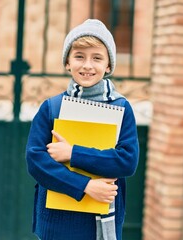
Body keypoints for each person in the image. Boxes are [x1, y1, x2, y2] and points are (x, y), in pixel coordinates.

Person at [25, 19, 139, 240]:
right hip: (56, 220)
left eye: (97, 58)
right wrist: (85, 185)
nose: (87, 65)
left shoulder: (121, 108)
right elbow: (36, 161)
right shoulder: (51, 108)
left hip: (101, 217)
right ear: (68, 62)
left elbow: (127, 160)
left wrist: (72, 153)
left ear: (108, 66)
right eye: (79, 56)